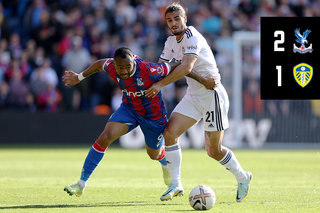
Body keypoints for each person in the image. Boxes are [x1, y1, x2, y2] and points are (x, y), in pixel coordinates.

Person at [145, 2, 252, 202]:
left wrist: (160, 86)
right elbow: (162, 69)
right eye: (169, 20)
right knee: (169, 133)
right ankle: (175, 184)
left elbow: (185, 67)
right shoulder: (170, 42)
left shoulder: (192, 35)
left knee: (214, 151)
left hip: (212, 95)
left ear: (185, 19)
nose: (174, 23)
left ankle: (243, 177)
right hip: (194, 95)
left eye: (177, 18)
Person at [62, 47, 184, 197]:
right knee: (105, 136)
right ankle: (81, 184)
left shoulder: (149, 70)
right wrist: (80, 77)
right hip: (129, 109)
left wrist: (185, 63)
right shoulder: (111, 66)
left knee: (153, 154)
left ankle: (163, 160)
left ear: (133, 61)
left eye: (128, 67)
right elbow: (100, 64)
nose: (124, 71)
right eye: (120, 68)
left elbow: (172, 66)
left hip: (153, 115)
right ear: (115, 64)